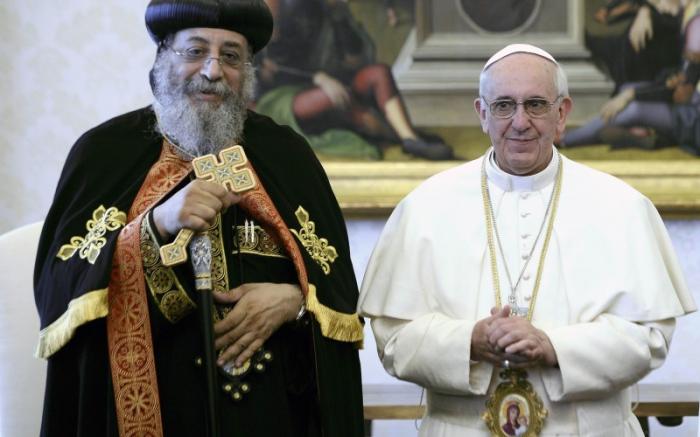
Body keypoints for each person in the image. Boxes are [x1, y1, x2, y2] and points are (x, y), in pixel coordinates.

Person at [33, 1, 364, 436]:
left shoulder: (288, 156)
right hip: (156, 410)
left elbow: (338, 293)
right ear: (161, 59)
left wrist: (295, 302)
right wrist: (155, 225)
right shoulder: (103, 154)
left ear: (247, 70)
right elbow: (61, 292)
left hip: (274, 414)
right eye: (194, 51)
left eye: (230, 56)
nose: (212, 71)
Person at [358, 43, 696, 436]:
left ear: (562, 114)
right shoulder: (424, 207)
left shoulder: (621, 206)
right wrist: (469, 340)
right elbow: (394, 339)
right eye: (503, 105)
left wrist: (553, 346)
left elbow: (650, 339)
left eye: (535, 104)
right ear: (482, 114)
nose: (520, 121)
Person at [254, 0, 454, 161]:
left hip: (336, 84)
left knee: (378, 72)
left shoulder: (334, 11)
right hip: (282, 95)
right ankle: (390, 133)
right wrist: (317, 77)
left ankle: (409, 139)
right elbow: (267, 64)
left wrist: (338, 16)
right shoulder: (287, 7)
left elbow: (356, 59)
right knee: (333, 96)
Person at [563, 0, 700, 155]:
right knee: (626, 89)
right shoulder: (686, 16)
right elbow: (604, 16)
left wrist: (632, 95)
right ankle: (651, 136)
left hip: (694, 120)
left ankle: (566, 140)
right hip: (688, 104)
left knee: (634, 108)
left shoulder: (696, 25)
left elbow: (683, 93)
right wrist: (645, 10)